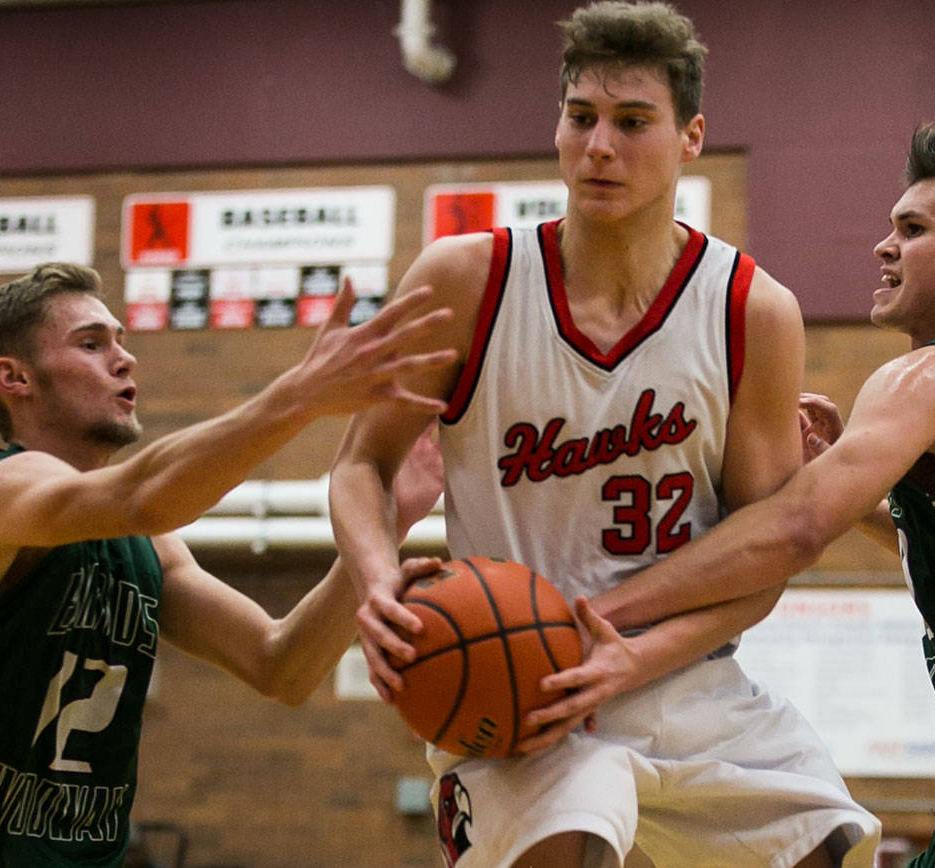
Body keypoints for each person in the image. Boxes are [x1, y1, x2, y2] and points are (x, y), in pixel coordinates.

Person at [327, 3, 880, 866]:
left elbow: (761, 564)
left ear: (691, 137)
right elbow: (361, 466)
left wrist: (632, 658)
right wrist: (376, 582)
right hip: (519, 687)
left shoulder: (751, 312)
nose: (598, 147)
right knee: (569, 844)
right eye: (580, 118)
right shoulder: (466, 280)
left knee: (830, 848)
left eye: (632, 123)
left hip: (683, 678)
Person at [564, 125, 935, 865]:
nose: (884, 246)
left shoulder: (931, 375)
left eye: (912, 229)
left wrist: (595, 617)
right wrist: (852, 473)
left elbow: (796, 529)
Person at [0, 262, 456, 866]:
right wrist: (300, 394)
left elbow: (281, 664)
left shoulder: (147, 544)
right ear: (14, 378)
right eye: (91, 344)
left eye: (121, 340)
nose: (124, 359)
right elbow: (145, 493)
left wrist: (388, 522)